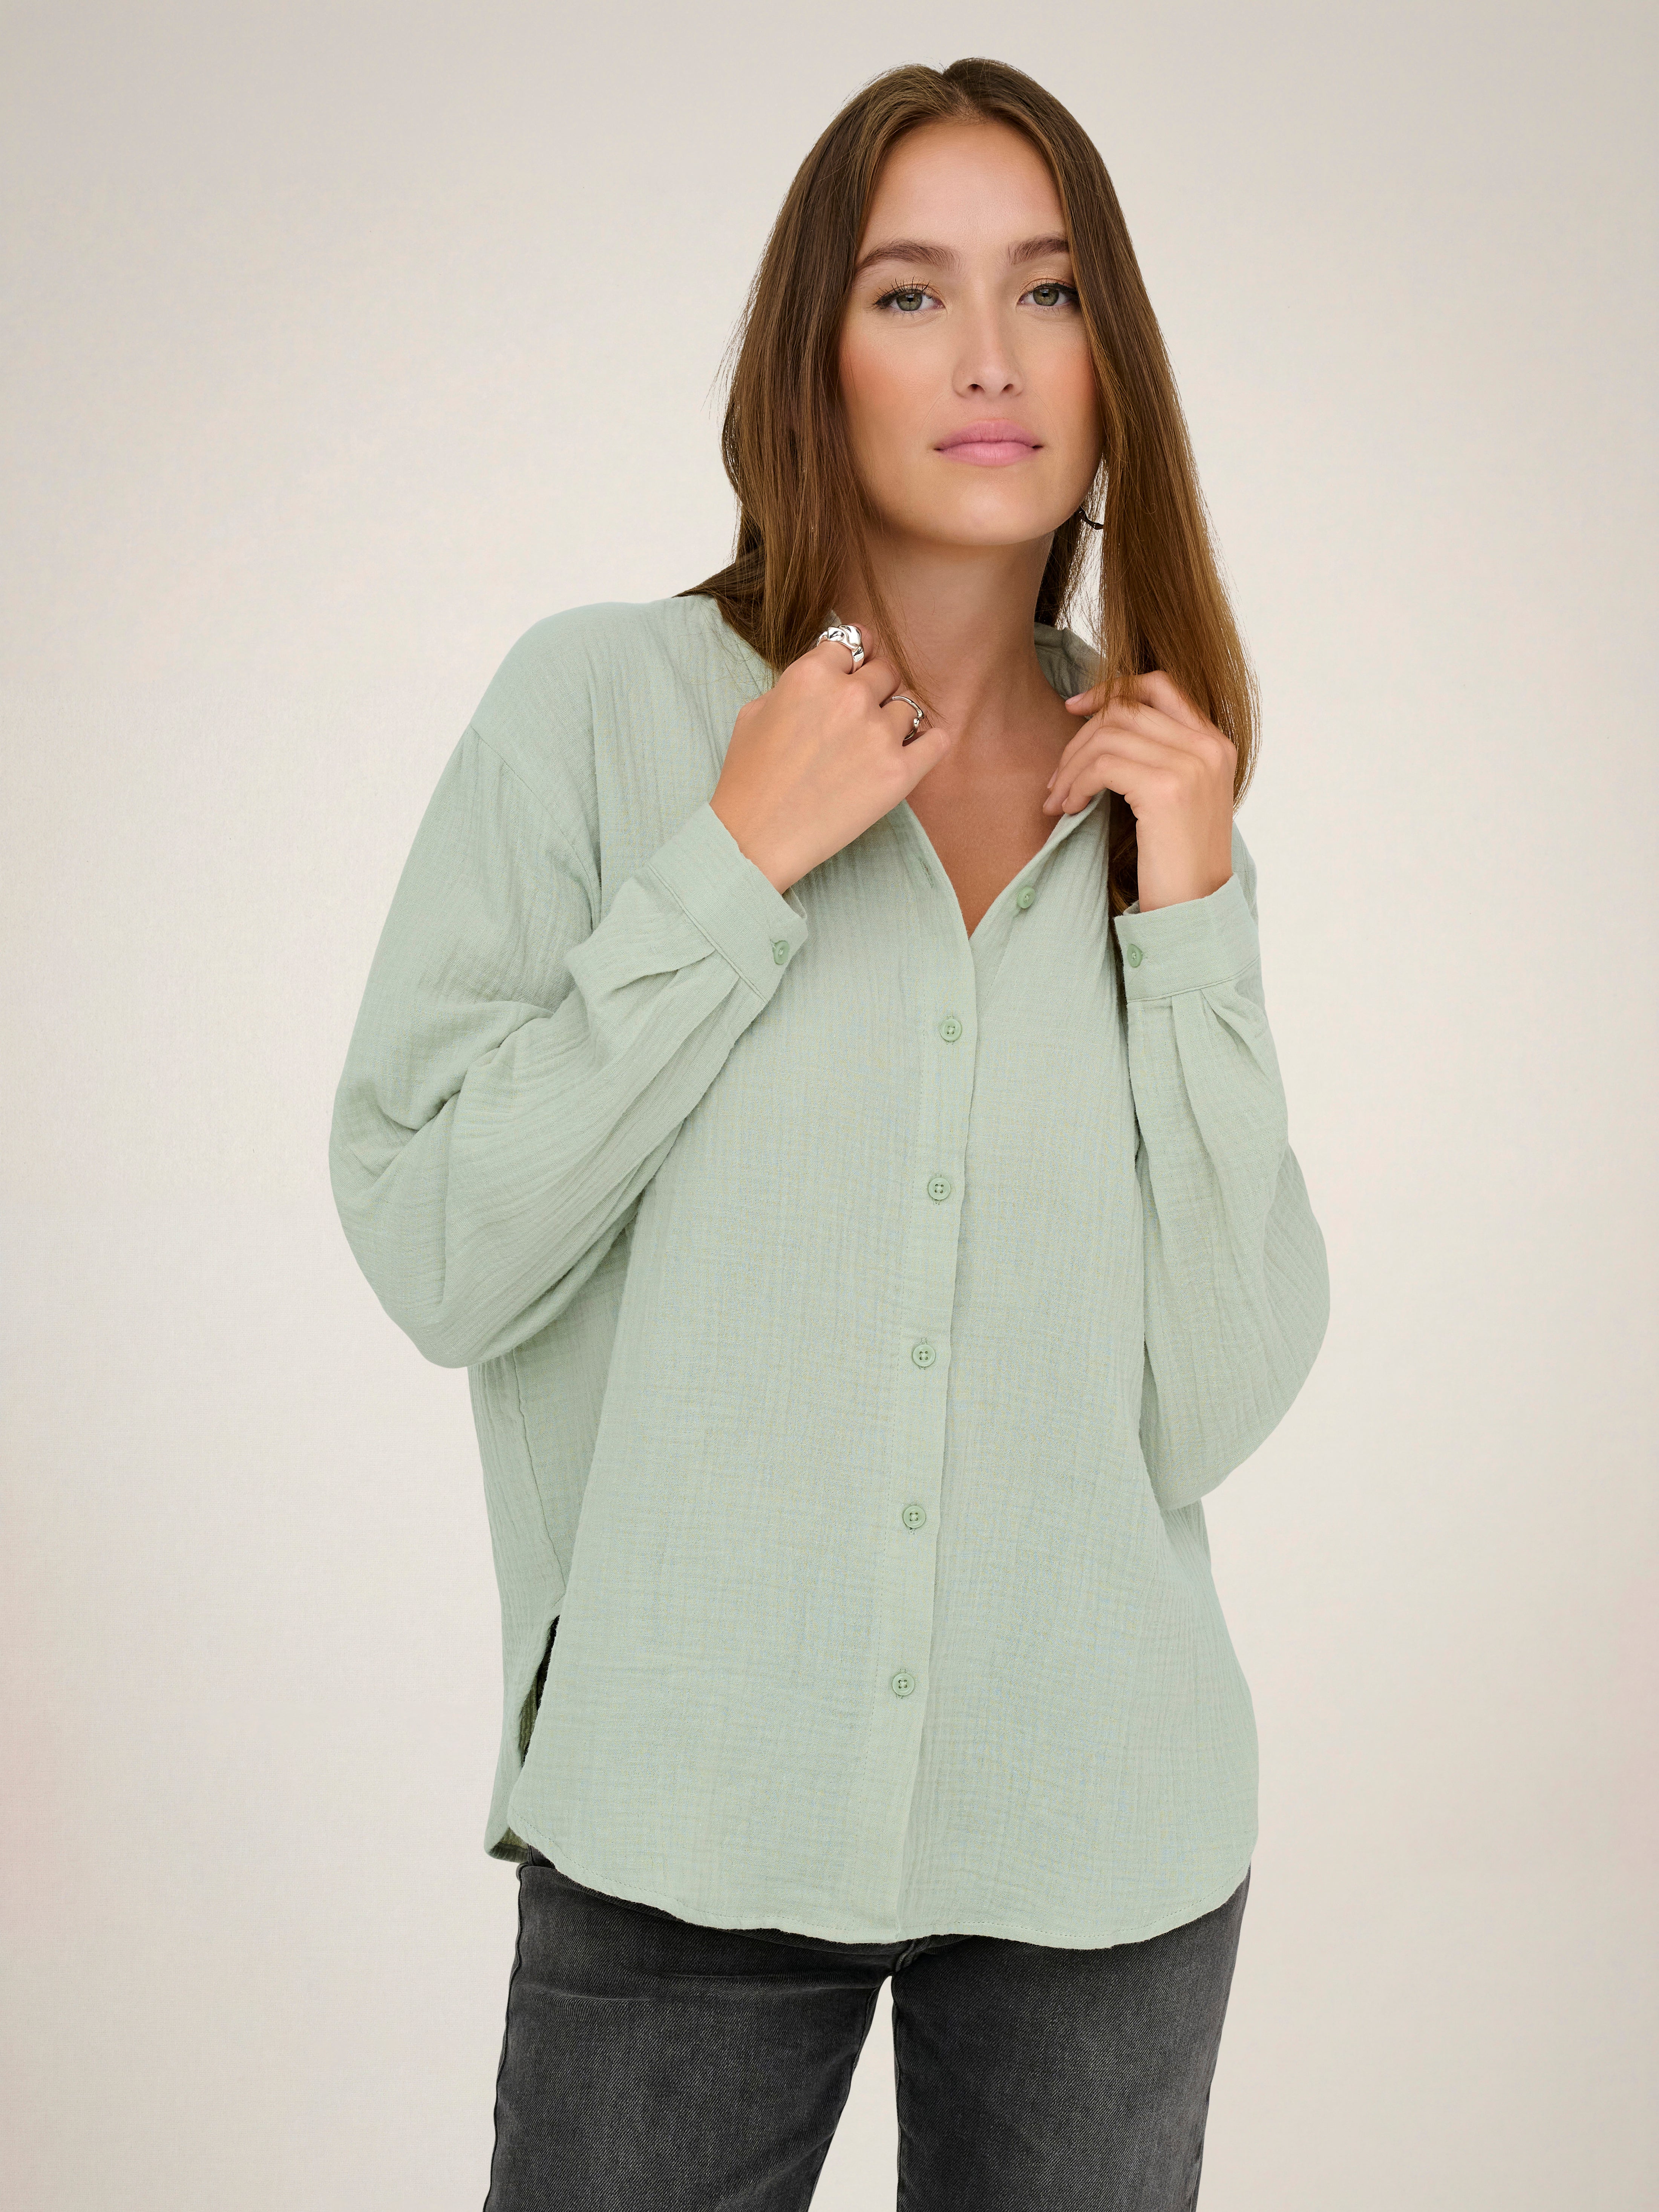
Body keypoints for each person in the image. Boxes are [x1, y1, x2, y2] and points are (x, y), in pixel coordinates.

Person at [329, 54, 1330, 2212]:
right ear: (813, 354)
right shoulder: (599, 711)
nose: (988, 357)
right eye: (908, 293)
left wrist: (1194, 923)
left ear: (1113, 363)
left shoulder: (1161, 810)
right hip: (681, 1820)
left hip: (1102, 1843)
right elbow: (435, 1241)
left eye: (1048, 292)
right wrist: (729, 864)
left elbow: (1217, 1399)